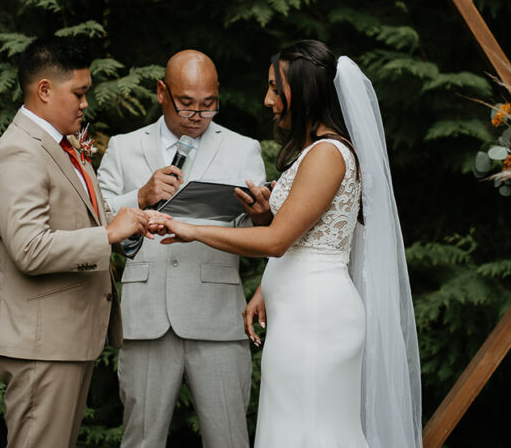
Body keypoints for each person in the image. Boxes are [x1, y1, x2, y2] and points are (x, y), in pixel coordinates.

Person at [154, 40, 422, 448]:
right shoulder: (313, 151)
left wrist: (192, 230)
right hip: (299, 313)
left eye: (277, 89)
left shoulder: (328, 154)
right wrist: (264, 220)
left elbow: (279, 242)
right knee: (293, 430)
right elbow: (300, 235)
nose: (268, 99)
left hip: (317, 318)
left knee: (313, 433)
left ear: (307, 92)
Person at [0, 36, 166, 448]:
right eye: (78, 93)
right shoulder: (20, 153)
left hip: (64, 339)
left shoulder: (62, 146)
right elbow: (29, 249)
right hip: (40, 343)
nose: (85, 104)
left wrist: (131, 223)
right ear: (44, 90)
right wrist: (108, 234)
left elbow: (83, 219)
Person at [97, 50, 268, 448]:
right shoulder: (124, 148)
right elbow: (96, 222)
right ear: (162, 91)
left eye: (208, 105)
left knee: (229, 439)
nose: (197, 115)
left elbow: (258, 236)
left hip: (218, 318)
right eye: (186, 104)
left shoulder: (243, 148)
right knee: (141, 440)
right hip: (146, 318)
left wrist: (261, 216)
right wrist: (140, 195)